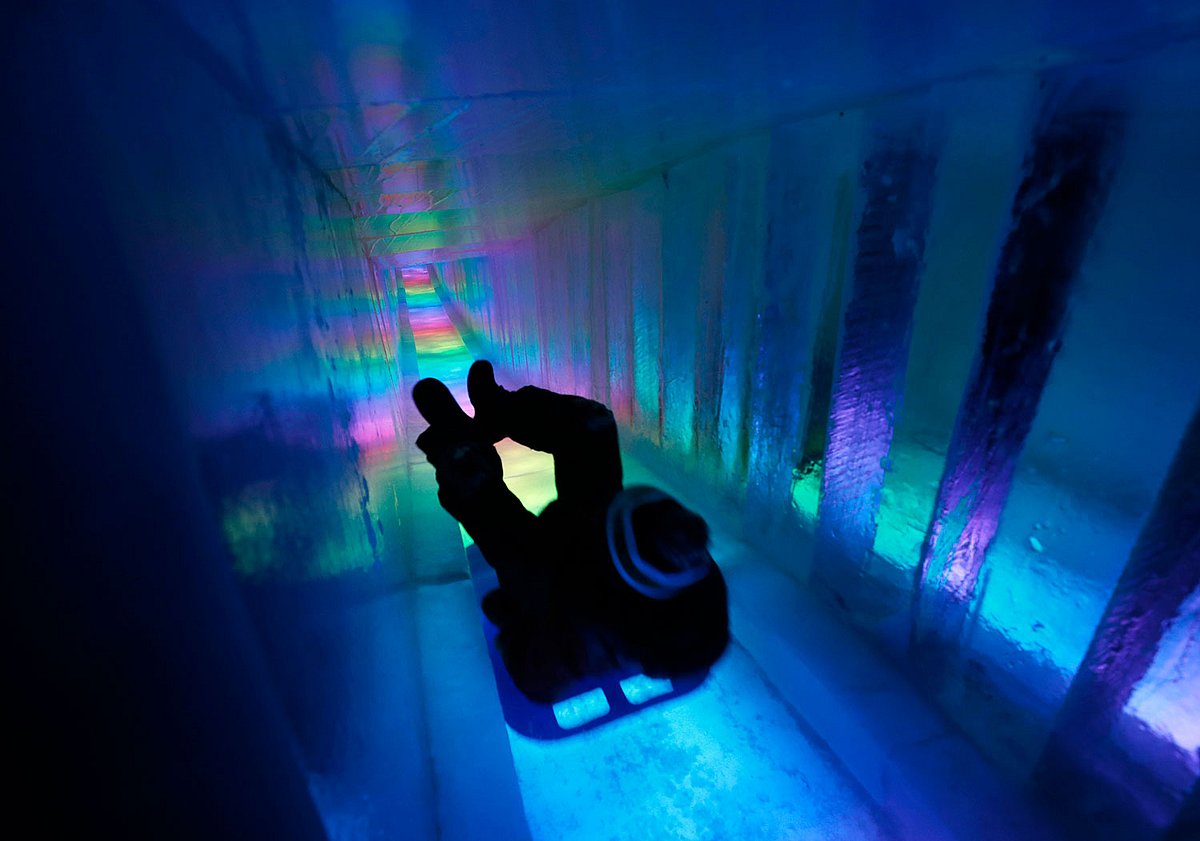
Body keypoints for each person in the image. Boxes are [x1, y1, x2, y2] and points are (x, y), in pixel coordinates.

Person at [412, 360, 729, 703]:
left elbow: (536, 679)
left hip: (557, 582)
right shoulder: (689, 569)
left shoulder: (581, 635)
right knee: (590, 424)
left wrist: (519, 621)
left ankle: (456, 442)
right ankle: (496, 411)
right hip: (589, 548)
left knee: (479, 491)